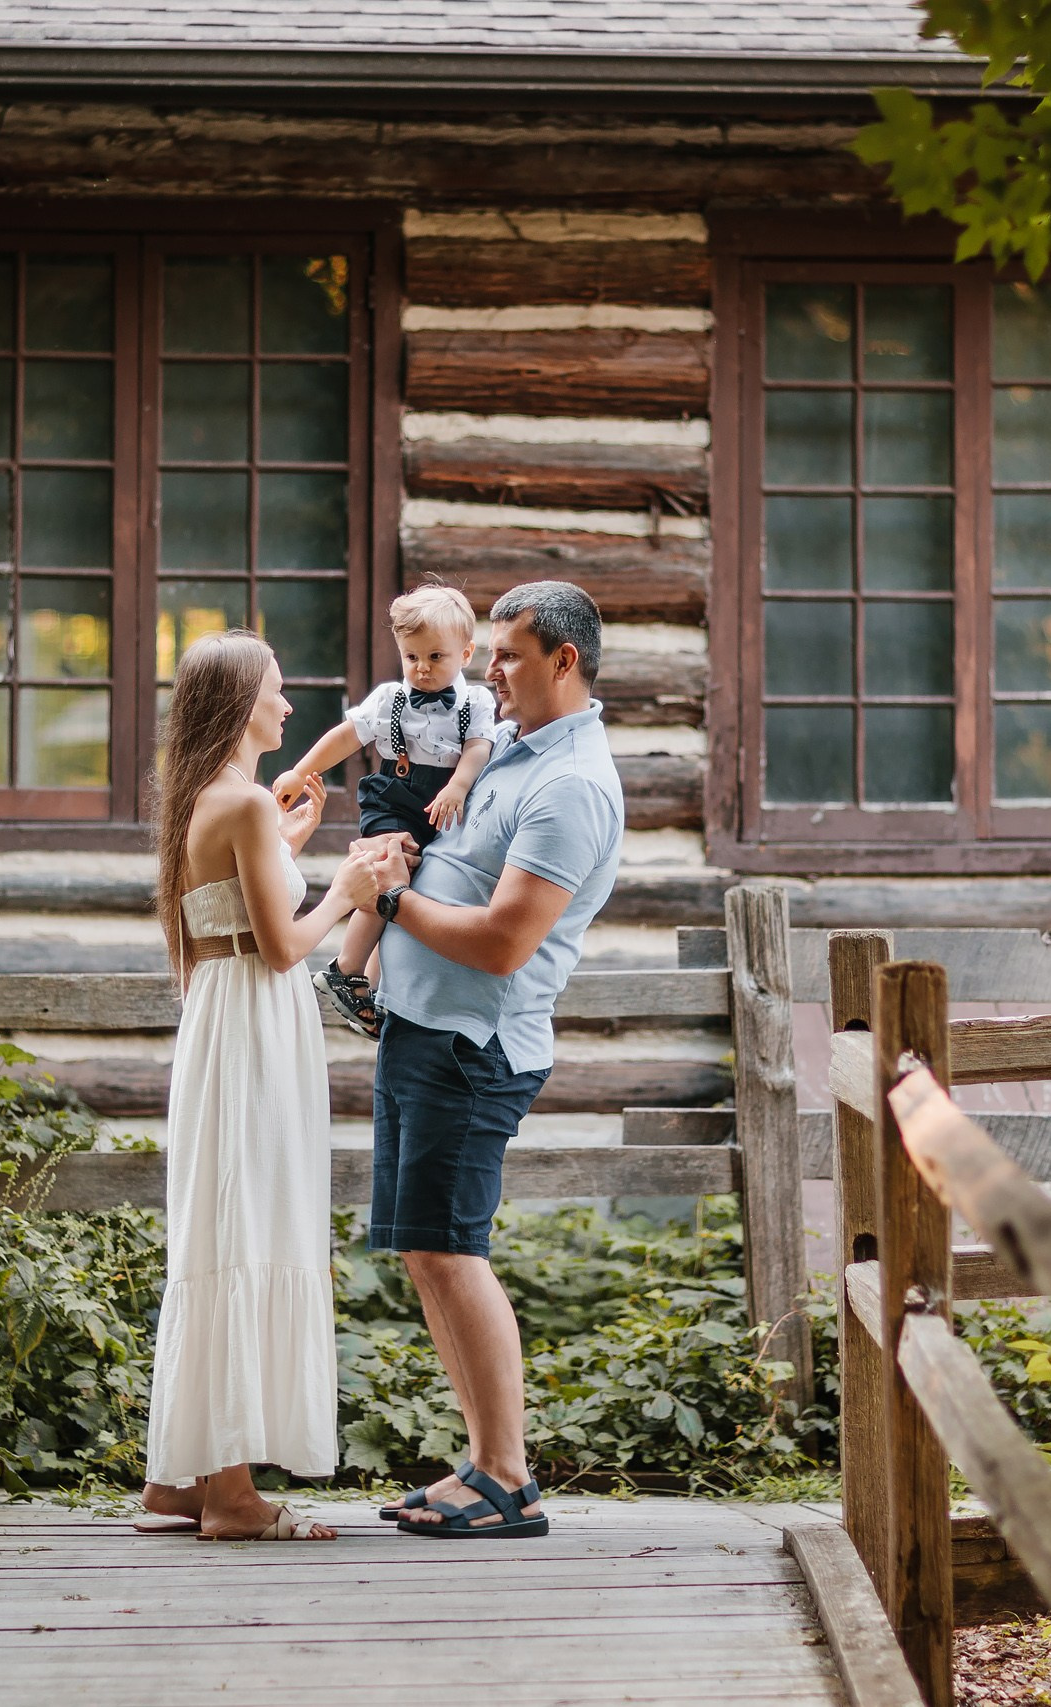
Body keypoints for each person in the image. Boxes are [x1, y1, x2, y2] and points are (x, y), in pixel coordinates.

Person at [358, 581, 624, 1539]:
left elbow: (507, 941)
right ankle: (480, 1462)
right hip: (420, 1025)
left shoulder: (573, 784)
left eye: (508, 653)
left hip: (476, 1047)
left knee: (452, 1250)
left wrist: (386, 905)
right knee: (425, 1253)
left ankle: (509, 1478)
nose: (489, 668)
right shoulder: (509, 745)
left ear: (564, 661)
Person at [137, 629, 390, 1542]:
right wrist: (350, 887)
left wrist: (285, 844)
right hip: (255, 1020)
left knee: (224, 1220)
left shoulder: (214, 800)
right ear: (243, 702)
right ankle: (234, 1496)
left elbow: (231, 910)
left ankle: (183, 1478)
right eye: (278, 692)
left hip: (228, 1016)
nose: (289, 707)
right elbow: (285, 943)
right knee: (247, 1223)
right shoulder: (238, 801)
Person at [270, 583, 497, 1040]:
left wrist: (458, 785)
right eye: (412, 657)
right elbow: (345, 736)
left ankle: (370, 986)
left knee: (410, 889)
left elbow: (478, 749)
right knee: (387, 868)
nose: (422, 668)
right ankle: (345, 968)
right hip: (393, 798)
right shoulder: (388, 699)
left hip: (444, 803)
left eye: (436, 657)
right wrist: (300, 772)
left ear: (466, 653)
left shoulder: (476, 702)